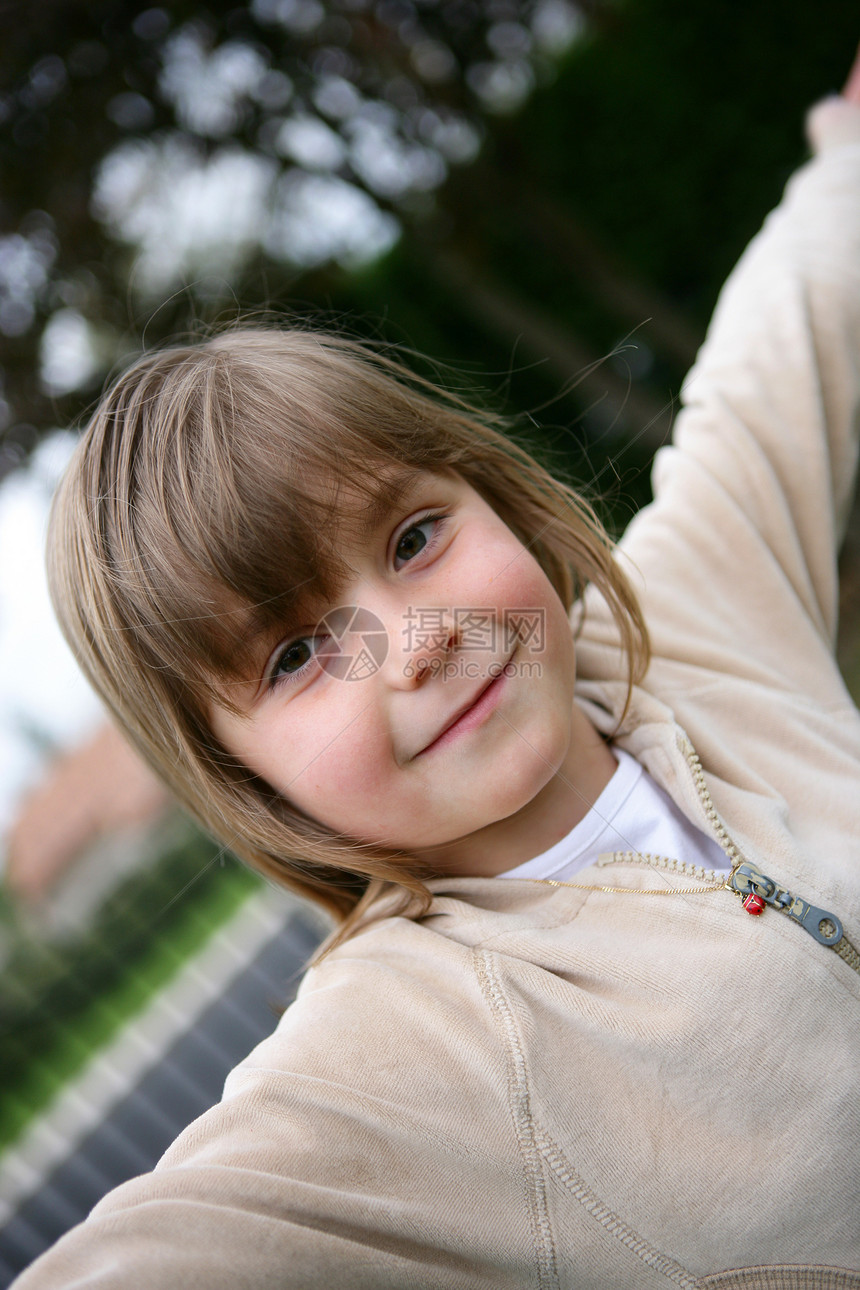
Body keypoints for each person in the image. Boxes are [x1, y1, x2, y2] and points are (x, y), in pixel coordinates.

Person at [11, 58, 860, 1290]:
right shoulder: (402, 1060)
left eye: (414, 538)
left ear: (494, 494)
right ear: (234, 773)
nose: (416, 641)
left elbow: (781, 347)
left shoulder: (696, 614)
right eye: (297, 655)